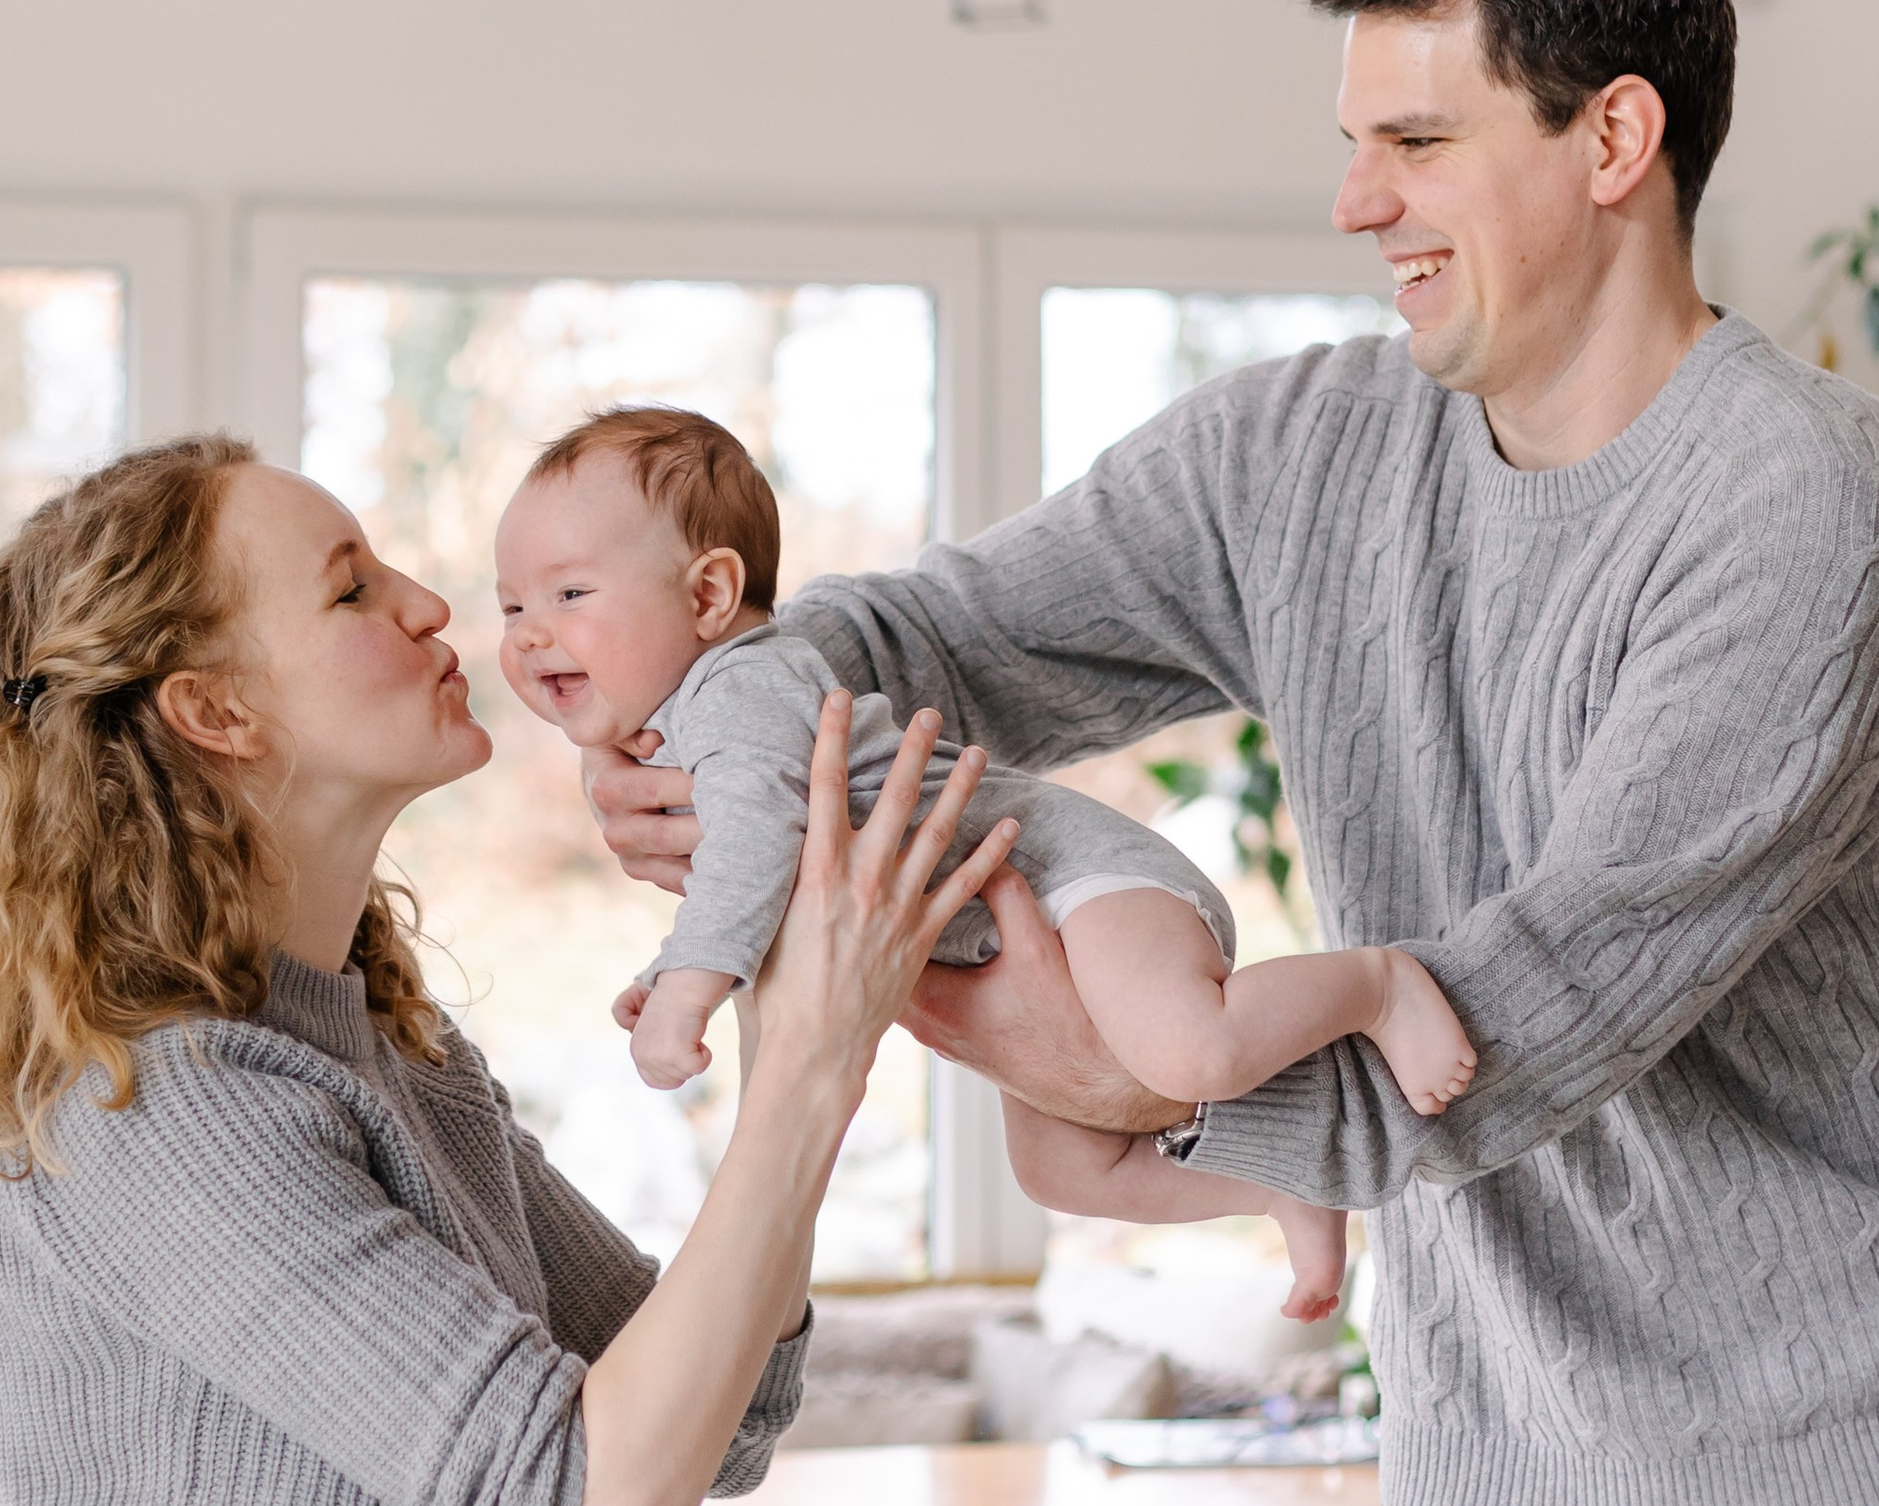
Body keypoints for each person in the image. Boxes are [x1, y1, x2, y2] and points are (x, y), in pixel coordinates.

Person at [588, 0, 1879, 1506]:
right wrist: (718, 732)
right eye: (1350, 139)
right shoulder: (1297, 456)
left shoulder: (1796, 498)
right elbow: (922, 631)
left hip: (1871, 1501)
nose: (1349, 199)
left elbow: (1516, 1027)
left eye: (1411, 138)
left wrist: (1114, 1066)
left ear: (1611, 138)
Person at [0, 434, 1018, 1506]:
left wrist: (788, 1018)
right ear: (215, 710)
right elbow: (607, 1503)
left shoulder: (396, 1056)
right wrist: (809, 1067)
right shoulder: (151, 1105)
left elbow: (730, 1422)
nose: (429, 605)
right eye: (352, 589)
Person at [494, 403, 1473, 1323]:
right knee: (1062, 1173)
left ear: (708, 592)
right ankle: (1278, 1180)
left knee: (1192, 1054)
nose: (529, 631)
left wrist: (685, 995)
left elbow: (752, 845)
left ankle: (1376, 984)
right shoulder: (703, 715)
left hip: (1078, 882)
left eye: (569, 593)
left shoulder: (740, 691)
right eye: (510, 606)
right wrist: (673, 962)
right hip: (1018, 922)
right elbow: (760, 871)